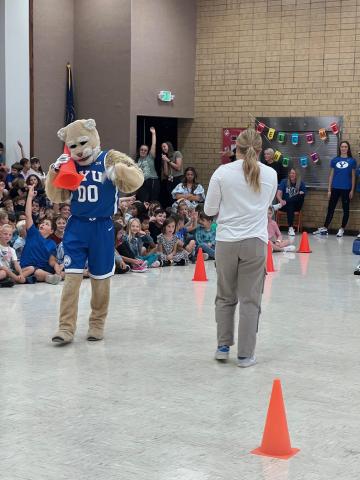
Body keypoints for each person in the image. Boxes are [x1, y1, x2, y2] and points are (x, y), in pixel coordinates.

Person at [204, 128, 277, 368]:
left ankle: (223, 346)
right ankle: (245, 355)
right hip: (255, 242)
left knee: (225, 296)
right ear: (259, 150)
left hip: (226, 242)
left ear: (236, 148)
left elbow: (209, 211)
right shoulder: (271, 174)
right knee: (250, 300)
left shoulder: (222, 173)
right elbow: (266, 205)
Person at [20, 185, 63, 284]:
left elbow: (52, 261)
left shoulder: (52, 243)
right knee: (33, 270)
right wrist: (30, 197)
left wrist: (57, 267)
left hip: (41, 270)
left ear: (51, 231)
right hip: (26, 268)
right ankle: (47, 278)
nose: (43, 224)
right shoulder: (33, 233)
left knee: (40, 273)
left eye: (46, 224)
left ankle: (49, 277)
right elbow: (28, 215)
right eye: (42, 223)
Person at [313, 141, 357, 237]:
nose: (344, 148)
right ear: (340, 148)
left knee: (346, 209)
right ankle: (325, 228)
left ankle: (342, 229)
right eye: (342, 146)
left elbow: (353, 177)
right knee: (330, 208)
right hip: (335, 188)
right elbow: (331, 175)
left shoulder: (352, 161)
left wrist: (352, 190)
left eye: (345, 147)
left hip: (346, 189)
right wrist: (329, 189)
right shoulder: (335, 160)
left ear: (348, 148)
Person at [276, 168, 306, 236]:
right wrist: (280, 200)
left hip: (296, 206)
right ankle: (290, 228)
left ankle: (282, 204)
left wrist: (300, 193)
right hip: (285, 206)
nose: (291, 175)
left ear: (297, 175)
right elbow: (278, 194)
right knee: (290, 205)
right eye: (290, 173)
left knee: (300, 195)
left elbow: (302, 196)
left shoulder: (301, 183)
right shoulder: (284, 181)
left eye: (293, 173)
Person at [136, 127, 160, 202]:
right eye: (141, 150)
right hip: (143, 182)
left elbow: (154, 144)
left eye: (145, 150)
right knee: (143, 201)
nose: (143, 151)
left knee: (152, 201)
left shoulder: (150, 157)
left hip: (152, 181)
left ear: (147, 152)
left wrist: (153, 133)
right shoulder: (137, 160)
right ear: (139, 150)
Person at [161, 141, 183, 207]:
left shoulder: (177, 153)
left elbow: (178, 167)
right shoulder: (165, 157)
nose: (163, 148)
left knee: (178, 198)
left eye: (164, 146)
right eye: (162, 147)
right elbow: (166, 173)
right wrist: (165, 161)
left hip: (178, 179)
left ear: (169, 146)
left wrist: (168, 160)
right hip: (170, 179)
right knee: (171, 198)